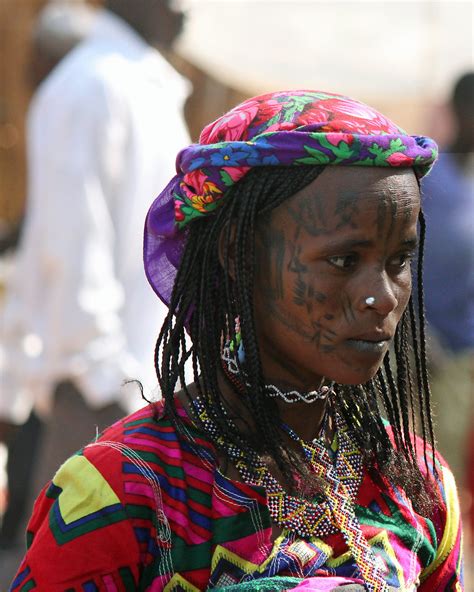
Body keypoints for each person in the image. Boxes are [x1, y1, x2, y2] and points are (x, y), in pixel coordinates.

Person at [11, 91, 463, 591]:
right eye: (343, 261)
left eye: (398, 261)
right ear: (238, 254)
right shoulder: (120, 495)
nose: (381, 297)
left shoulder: (416, 484)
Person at [0, 0, 190, 568]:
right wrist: (112, 389)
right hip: (103, 400)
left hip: (139, 395)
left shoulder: (140, 82)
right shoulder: (90, 86)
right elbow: (71, 254)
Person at [0, 0, 98, 572]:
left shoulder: (73, 106)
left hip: (63, 346)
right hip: (40, 335)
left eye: (45, 58)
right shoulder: (51, 111)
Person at [420, 72, 474, 489]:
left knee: (444, 481)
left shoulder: (467, 188)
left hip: (459, 367)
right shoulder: (426, 180)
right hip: (414, 363)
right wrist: (415, 333)